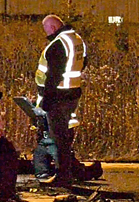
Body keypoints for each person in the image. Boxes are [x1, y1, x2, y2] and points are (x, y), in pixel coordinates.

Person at [34, 14, 101, 185]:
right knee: (64, 135)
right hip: (72, 94)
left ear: (53, 28)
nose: (46, 34)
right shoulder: (77, 40)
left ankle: (64, 175)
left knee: (59, 138)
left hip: (57, 97)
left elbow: (53, 75)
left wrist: (47, 99)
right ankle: (68, 171)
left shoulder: (57, 45)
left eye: (46, 30)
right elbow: (83, 63)